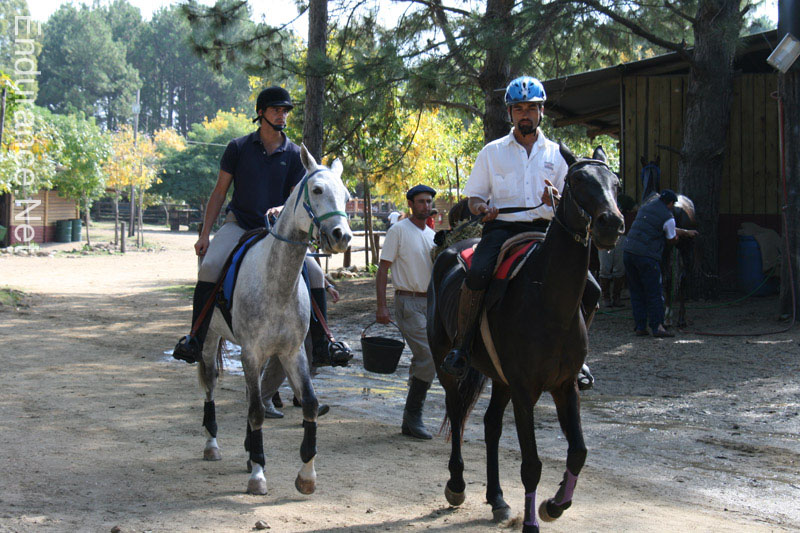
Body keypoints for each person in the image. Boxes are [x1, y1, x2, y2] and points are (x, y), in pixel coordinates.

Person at [441, 76, 601, 380]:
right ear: (510, 113)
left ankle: (577, 355)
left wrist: (556, 197)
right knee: (477, 274)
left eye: (531, 108)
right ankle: (462, 347)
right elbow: (475, 195)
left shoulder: (557, 154)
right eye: (518, 109)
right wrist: (480, 208)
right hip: (502, 230)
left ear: (541, 111)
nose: (524, 114)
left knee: (592, 287)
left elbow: (573, 198)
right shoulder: (492, 152)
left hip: (549, 231)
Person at [173, 85, 304, 364]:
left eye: (285, 111)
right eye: (276, 110)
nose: (282, 116)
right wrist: (205, 235)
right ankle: (195, 337)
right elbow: (220, 192)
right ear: (260, 113)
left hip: (277, 233)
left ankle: (325, 342)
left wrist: (282, 208)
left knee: (314, 274)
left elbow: (295, 197)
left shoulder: (293, 154)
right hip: (240, 225)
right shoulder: (238, 147)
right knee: (209, 267)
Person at [375, 184, 438, 440]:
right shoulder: (398, 231)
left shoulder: (432, 236)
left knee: (425, 358)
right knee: (429, 356)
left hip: (430, 303)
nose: (426, 205)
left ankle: (409, 422)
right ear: (410, 204)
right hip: (407, 302)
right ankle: (413, 417)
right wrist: (381, 306)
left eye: (429, 201)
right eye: (421, 201)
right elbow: (382, 270)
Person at [622, 189, 698, 337]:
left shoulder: (646, 207)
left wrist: (684, 232)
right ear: (670, 203)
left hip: (629, 252)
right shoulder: (668, 216)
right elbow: (670, 238)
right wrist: (678, 238)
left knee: (637, 291)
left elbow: (657, 226)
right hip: (647, 256)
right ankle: (658, 327)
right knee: (655, 292)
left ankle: (640, 326)